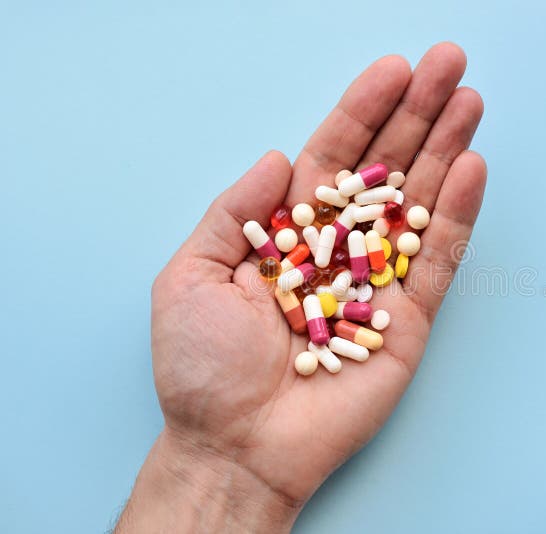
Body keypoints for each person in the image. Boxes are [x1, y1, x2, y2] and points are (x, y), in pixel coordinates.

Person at [115, 42, 486, 533]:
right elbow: (318, 267)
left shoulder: (347, 248)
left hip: (334, 280)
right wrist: (216, 460)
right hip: (327, 282)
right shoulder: (319, 250)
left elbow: (341, 271)